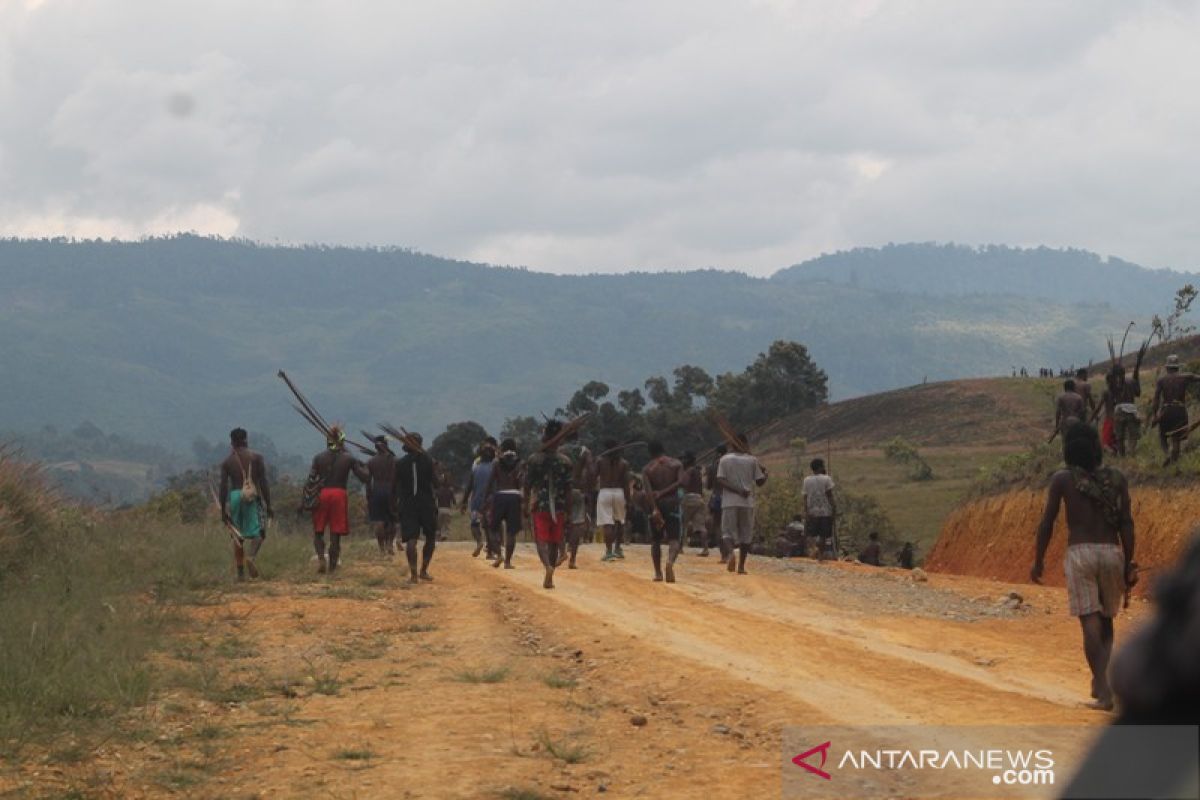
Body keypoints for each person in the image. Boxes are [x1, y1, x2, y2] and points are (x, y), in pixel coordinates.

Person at [1031, 423, 1135, 711]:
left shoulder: (1062, 479)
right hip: (1112, 551)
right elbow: (1126, 522)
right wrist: (1128, 561)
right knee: (1107, 618)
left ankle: (1102, 686)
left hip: (1080, 553)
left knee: (1089, 620)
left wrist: (1038, 560)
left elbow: (1047, 523)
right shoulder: (1117, 477)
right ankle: (1102, 683)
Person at [306, 425, 369, 574]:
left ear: (327, 441)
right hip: (339, 495)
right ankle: (332, 569)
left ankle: (321, 558)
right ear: (341, 441)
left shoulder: (318, 457)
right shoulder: (348, 458)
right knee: (336, 533)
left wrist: (308, 497)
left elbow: (310, 480)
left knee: (318, 531)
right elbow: (364, 477)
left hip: (322, 494)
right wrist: (363, 465)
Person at [523, 420, 574, 589]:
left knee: (541, 540)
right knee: (554, 540)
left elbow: (527, 484)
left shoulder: (534, 459)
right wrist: (569, 510)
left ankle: (547, 566)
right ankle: (551, 576)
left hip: (540, 505)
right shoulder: (565, 462)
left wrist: (525, 504)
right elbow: (568, 489)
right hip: (559, 506)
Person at [219, 427, 273, 581]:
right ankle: (251, 557)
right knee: (259, 533)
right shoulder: (256, 457)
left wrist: (223, 510)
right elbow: (263, 482)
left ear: (232, 442)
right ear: (246, 440)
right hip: (251, 496)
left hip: (235, 496)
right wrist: (268, 505)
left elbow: (223, 486)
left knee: (237, 536)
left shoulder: (227, 462)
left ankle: (241, 574)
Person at [716, 436, 767, 575]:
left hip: (729, 502)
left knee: (726, 532)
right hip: (747, 503)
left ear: (732, 445)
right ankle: (741, 567)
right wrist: (765, 473)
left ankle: (731, 553)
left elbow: (720, 480)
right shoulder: (752, 460)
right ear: (745, 444)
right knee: (746, 535)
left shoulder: (725, 459)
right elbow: (760, 482)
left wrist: (737, 490)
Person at [641, 441, 687, 582]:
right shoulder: (676, 464)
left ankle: (658, 573)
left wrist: (654, 509)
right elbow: (682, 483)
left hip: (656, 505)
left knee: (656, 540)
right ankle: (670, 562)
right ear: (663, 449)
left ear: (650, 452)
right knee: (674, 538)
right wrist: (665, 492)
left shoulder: (647, 469)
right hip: (672, 503)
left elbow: (648, 493)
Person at [396, 433, 439, 584]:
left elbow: (395, 487)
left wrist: (394, 506)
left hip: (408, 505)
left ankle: (413, 575)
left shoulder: (400, 463)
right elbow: (437, 483)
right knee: (430, 537)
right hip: (426, 504)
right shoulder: (428, 461)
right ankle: (423, 571)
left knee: (411, 540)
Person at [1148, 354, 1200, 466]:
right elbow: (1197, 378)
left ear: (1167, 367)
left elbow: (1156, 399)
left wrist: (1155, 415)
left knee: (1163, 436)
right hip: (1180, 411)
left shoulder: (1161, 380)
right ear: (1177, 367)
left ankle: (1167, 454)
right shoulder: (1186, 376)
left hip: (1166, 411)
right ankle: (1174, 462)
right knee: (1176, 437)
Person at [485, 438, 524, 569]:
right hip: (514, 496)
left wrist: (485, 498)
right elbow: (521, 483)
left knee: (492, 528)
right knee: (511, 532)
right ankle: (507, 562)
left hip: (500, 496)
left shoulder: (497, 463)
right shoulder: (519, 463)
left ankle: (498, 554)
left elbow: (490, 482)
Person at [595, 439, 631, 562]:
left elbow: (593, 475)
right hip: (619, 492)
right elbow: (626, 484)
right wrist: (628, 500)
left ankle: (609, 552)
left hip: (605, 492)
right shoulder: (624, 463)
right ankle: (618, 548)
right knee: (620, 521)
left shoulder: (600, 461)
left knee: (607, 523)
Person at [460, 443, 496, 558]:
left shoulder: (475, 469)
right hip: (490, 502)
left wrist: (464, 502)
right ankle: (490, 552)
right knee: (489, 527)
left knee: (475, 524)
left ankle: (479, 542)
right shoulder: (495, 469)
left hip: (476, 501)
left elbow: (469, 486)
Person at [364, 436, 398, 557]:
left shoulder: (371, 461)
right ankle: (389, 544)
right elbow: (397, 478)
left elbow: (368, 481)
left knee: (379, 521)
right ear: (386, 445)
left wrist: (369, 494)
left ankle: (382, 549)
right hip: (391, 490)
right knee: (392, 520)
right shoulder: (394, 460)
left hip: (376, 490)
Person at [802, 458, 837, 562]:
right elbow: (829, 495)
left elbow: (805, 497)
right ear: (821, 467)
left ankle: (813, 549)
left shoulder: (806, 480)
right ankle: (820, 556)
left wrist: (806, 510)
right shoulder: (827, 479)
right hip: (825, 511)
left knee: (810, 534)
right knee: (823, 535)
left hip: (812, 510)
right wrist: (834, 507)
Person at [679, 451, 708, 555]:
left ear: (688, 460)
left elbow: (684, 483)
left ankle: (679, 547)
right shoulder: (697, 471)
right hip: (699, 498)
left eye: (684, 459)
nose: (682, 461)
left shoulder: (689, 470)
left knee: (682, 523)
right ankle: (705, 549)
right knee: (701, 526)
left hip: (688, 498)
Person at [705, 445, 727, 560]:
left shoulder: (712, 466)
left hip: (716, 497)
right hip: (730, 497)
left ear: (717, 453)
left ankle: (723, 554)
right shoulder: (730, 463)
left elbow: (708, 486)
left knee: (717, 525)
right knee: (728, 525)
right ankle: (729, 552)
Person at [565, 487, 589, 569]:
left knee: (575, 525)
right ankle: (571, 559)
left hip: (566, 491)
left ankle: (568, 555)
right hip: (576, 491)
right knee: (577, 525)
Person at [434, 465, 456, 542]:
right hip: (448, 509)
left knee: (439, 524)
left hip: (440, 509)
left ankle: (439, 535)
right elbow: (454, 501)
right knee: (446, 524)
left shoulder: (438, 491)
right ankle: (444, 535)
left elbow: (435, 500)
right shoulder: (450, 491)